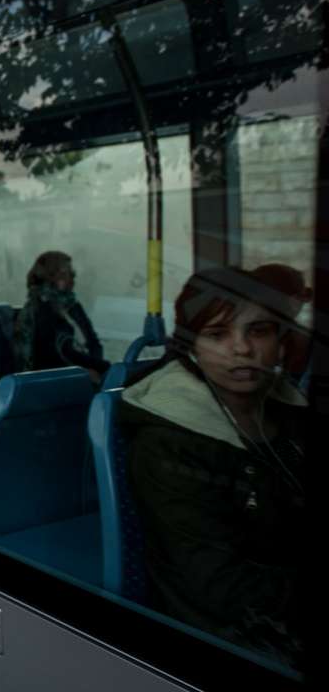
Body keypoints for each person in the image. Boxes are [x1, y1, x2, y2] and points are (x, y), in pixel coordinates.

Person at [121, 266, 305, 667]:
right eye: (217, 334)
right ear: (190, 345)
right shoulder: (168, 444)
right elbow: (216, 585)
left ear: (280, 341)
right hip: (229, 628)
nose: (241, 349)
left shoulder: (287, 414)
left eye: (258, 331)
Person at [14, 250, 108, 381]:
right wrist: (91, 370)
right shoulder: (40, 308)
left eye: (72, 273)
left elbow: (93, 341)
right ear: (49, 277)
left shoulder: (73, 305)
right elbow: (56, 353)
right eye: (65, 273)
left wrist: (100, 367)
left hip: (84, 369)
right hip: (51, 377)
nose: (72, 277)